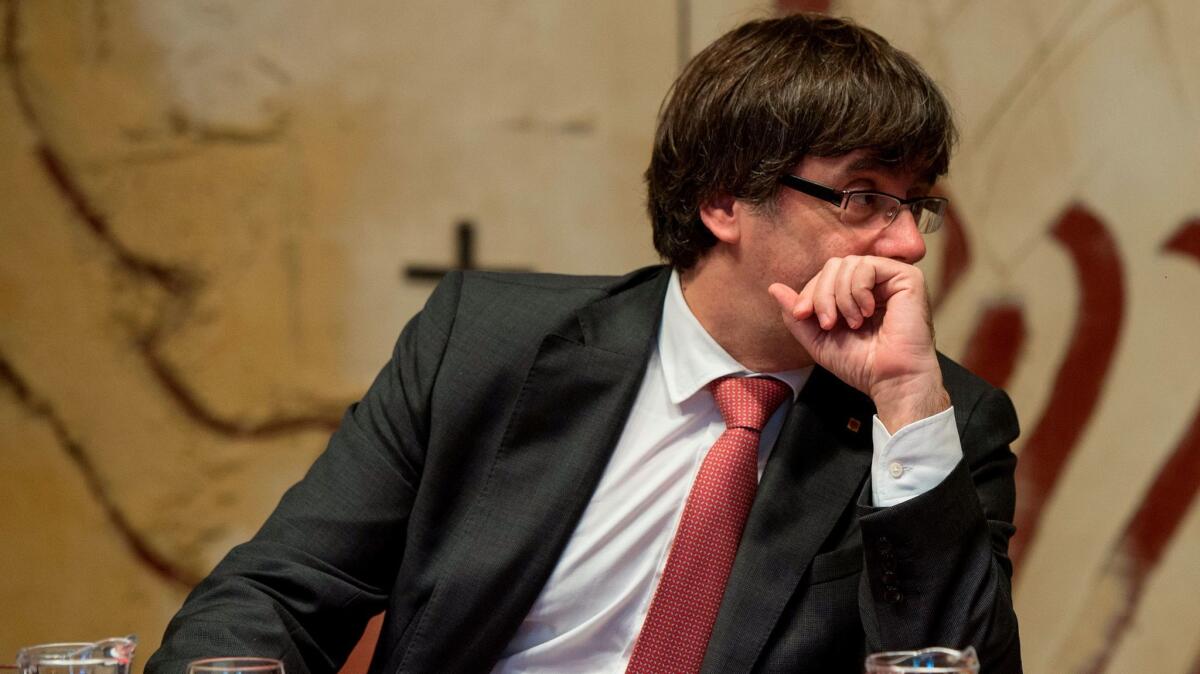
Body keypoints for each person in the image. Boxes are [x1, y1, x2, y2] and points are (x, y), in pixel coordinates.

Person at [147, 12, 1022, 674]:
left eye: (918, 206)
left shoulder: (943, 422)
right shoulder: (484, 345)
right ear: (726, 201)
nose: (907, 245)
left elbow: (951, 663)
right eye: (863, 196)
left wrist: (905, 401)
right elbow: (277, 595)